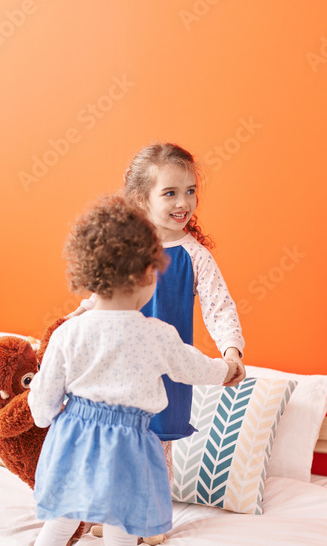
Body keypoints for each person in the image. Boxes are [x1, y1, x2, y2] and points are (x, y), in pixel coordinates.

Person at [21, 195, 236, 546]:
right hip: (128, 447)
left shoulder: (68, 331)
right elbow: (193, 367)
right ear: (145, 277)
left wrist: (48, 418)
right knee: (120, 540)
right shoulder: (156, 334)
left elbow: (43, 396)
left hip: (74, 440)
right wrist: (227, 370)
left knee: (59, 522)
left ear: (88, 276)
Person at [70, 143, 246, 487]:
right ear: (140, 199)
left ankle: (153, 519)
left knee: (155, 446)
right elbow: (101, 298)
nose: (184, 203)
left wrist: (231, 351)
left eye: (190, 191)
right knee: (115, 441)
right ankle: (114, 513)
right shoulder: (126, 249)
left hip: (166, 369)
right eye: (170, 193)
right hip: (117, 366)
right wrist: (76, 318)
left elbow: (219, 307)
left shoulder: (194, 256)